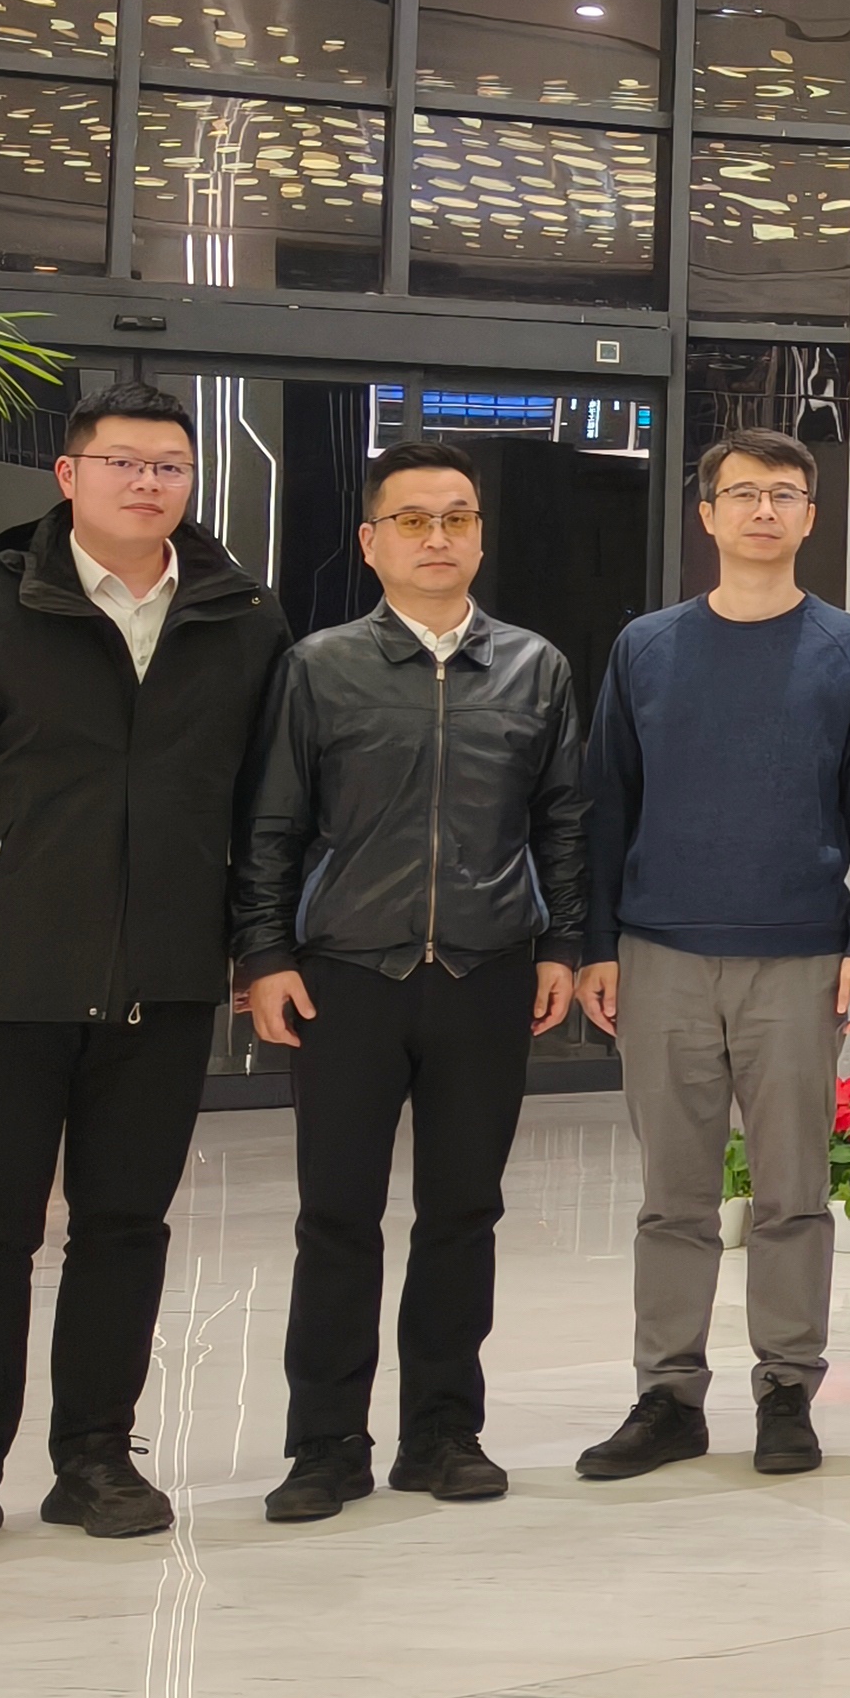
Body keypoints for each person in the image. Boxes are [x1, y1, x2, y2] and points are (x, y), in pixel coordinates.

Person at [0, 381, 292, 1565]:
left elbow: (269, 810)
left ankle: (95, 1456)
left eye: (170, 467)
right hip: (0, 978)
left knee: (125, 1227)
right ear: (69, 475)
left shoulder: (242, 621)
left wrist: (256, 949)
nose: (148, 484)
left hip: (164, 981)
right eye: (123, 463)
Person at [234, 436, 588, 1521]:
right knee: (336, 1216)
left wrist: (563, 946)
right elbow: (273, 824)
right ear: (371, 541)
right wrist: (264, 955)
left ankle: (443, 1432)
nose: (439, 538)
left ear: (480, 536)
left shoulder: (535, 668)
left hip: (487, 970)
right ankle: (324, 1444)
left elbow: (564, 821)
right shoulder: (319, 667)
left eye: (458, 519)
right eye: (414, 520)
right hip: (347, 974)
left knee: (463, 1213)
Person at [574, 428, 850, 1483]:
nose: (765, 510)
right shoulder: (647, 647)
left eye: (785, 494)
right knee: (672, 1197)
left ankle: (786, 1388)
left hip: (800, 956)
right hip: (661, 951)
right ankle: (667, 1396)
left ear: (811, 516)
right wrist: (595, 945)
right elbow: (605, 804)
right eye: (744, 492)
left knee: (792, 1193)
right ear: (707, 514)